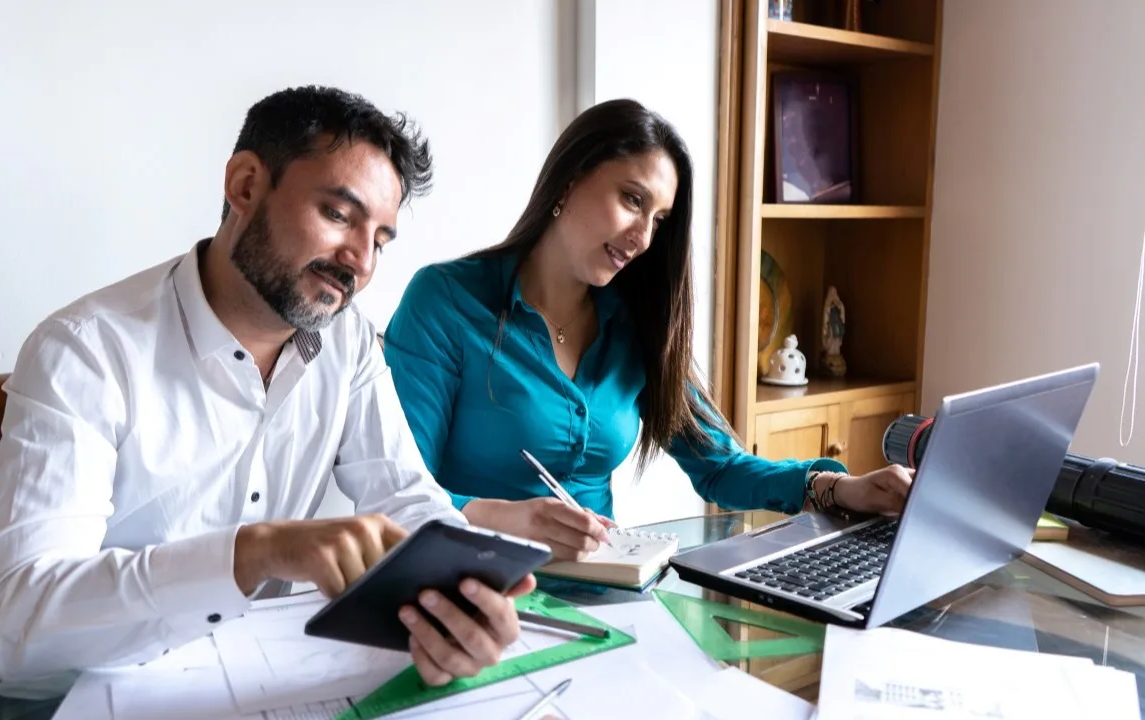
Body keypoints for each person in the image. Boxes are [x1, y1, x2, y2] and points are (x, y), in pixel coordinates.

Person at [0, 85, 534, 695]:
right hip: (50, 700)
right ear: (246, 186)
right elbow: (14, 623)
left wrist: (461, 596)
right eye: (339, 215)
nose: (360, 262)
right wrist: (252, 554)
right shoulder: (85, 350)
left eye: (380, 240)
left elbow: (407, 499)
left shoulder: (349, 343)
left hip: (236, 684)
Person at [382, 98, 913, 562]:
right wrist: (505, 517)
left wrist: (837, 488)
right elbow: (397, 494)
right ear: (569, 180)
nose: (642, 237)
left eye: (659, 220)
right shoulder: (445, 302)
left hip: (610, 595)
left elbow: (720, 468)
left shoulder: (637, 324)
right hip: (474, 590)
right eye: (633, 200)